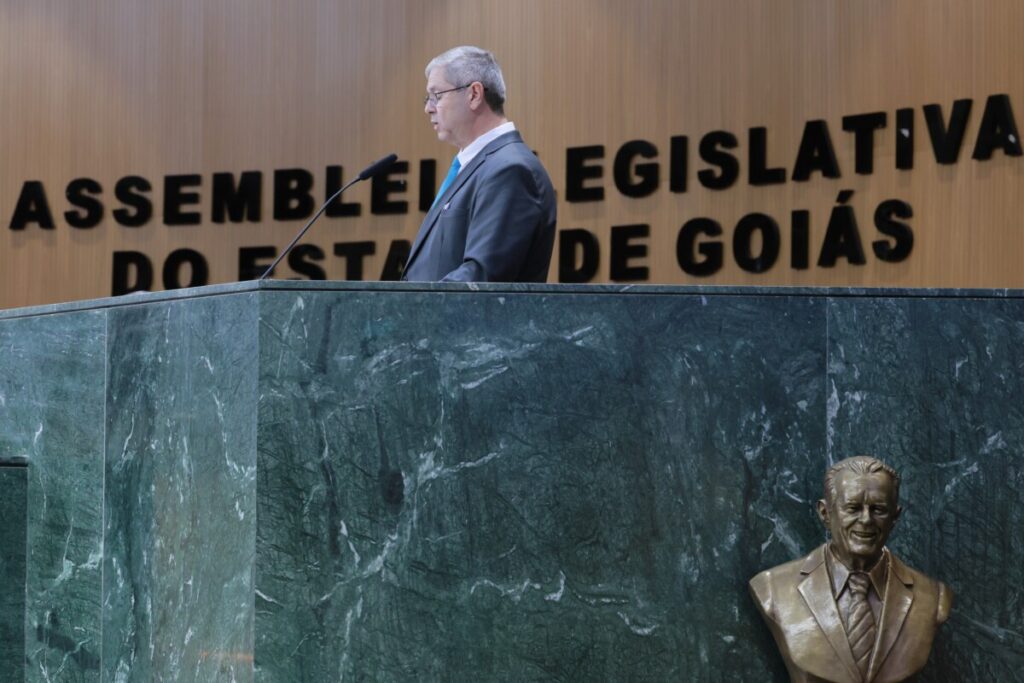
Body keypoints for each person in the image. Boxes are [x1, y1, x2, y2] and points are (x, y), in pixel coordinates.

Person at [749, 456, 952, 683]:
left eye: (878, 509)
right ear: (825, 513)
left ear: (895, 517)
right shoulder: (772, 589)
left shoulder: (934, 597)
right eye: (853, 508)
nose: (866, 519)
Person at [402, 46, 557, 282]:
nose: (428, 108)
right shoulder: (475, 166)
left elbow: (482, 277)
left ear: (474, 94)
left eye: (437, 96)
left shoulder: (510, 170)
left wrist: (412, 303)